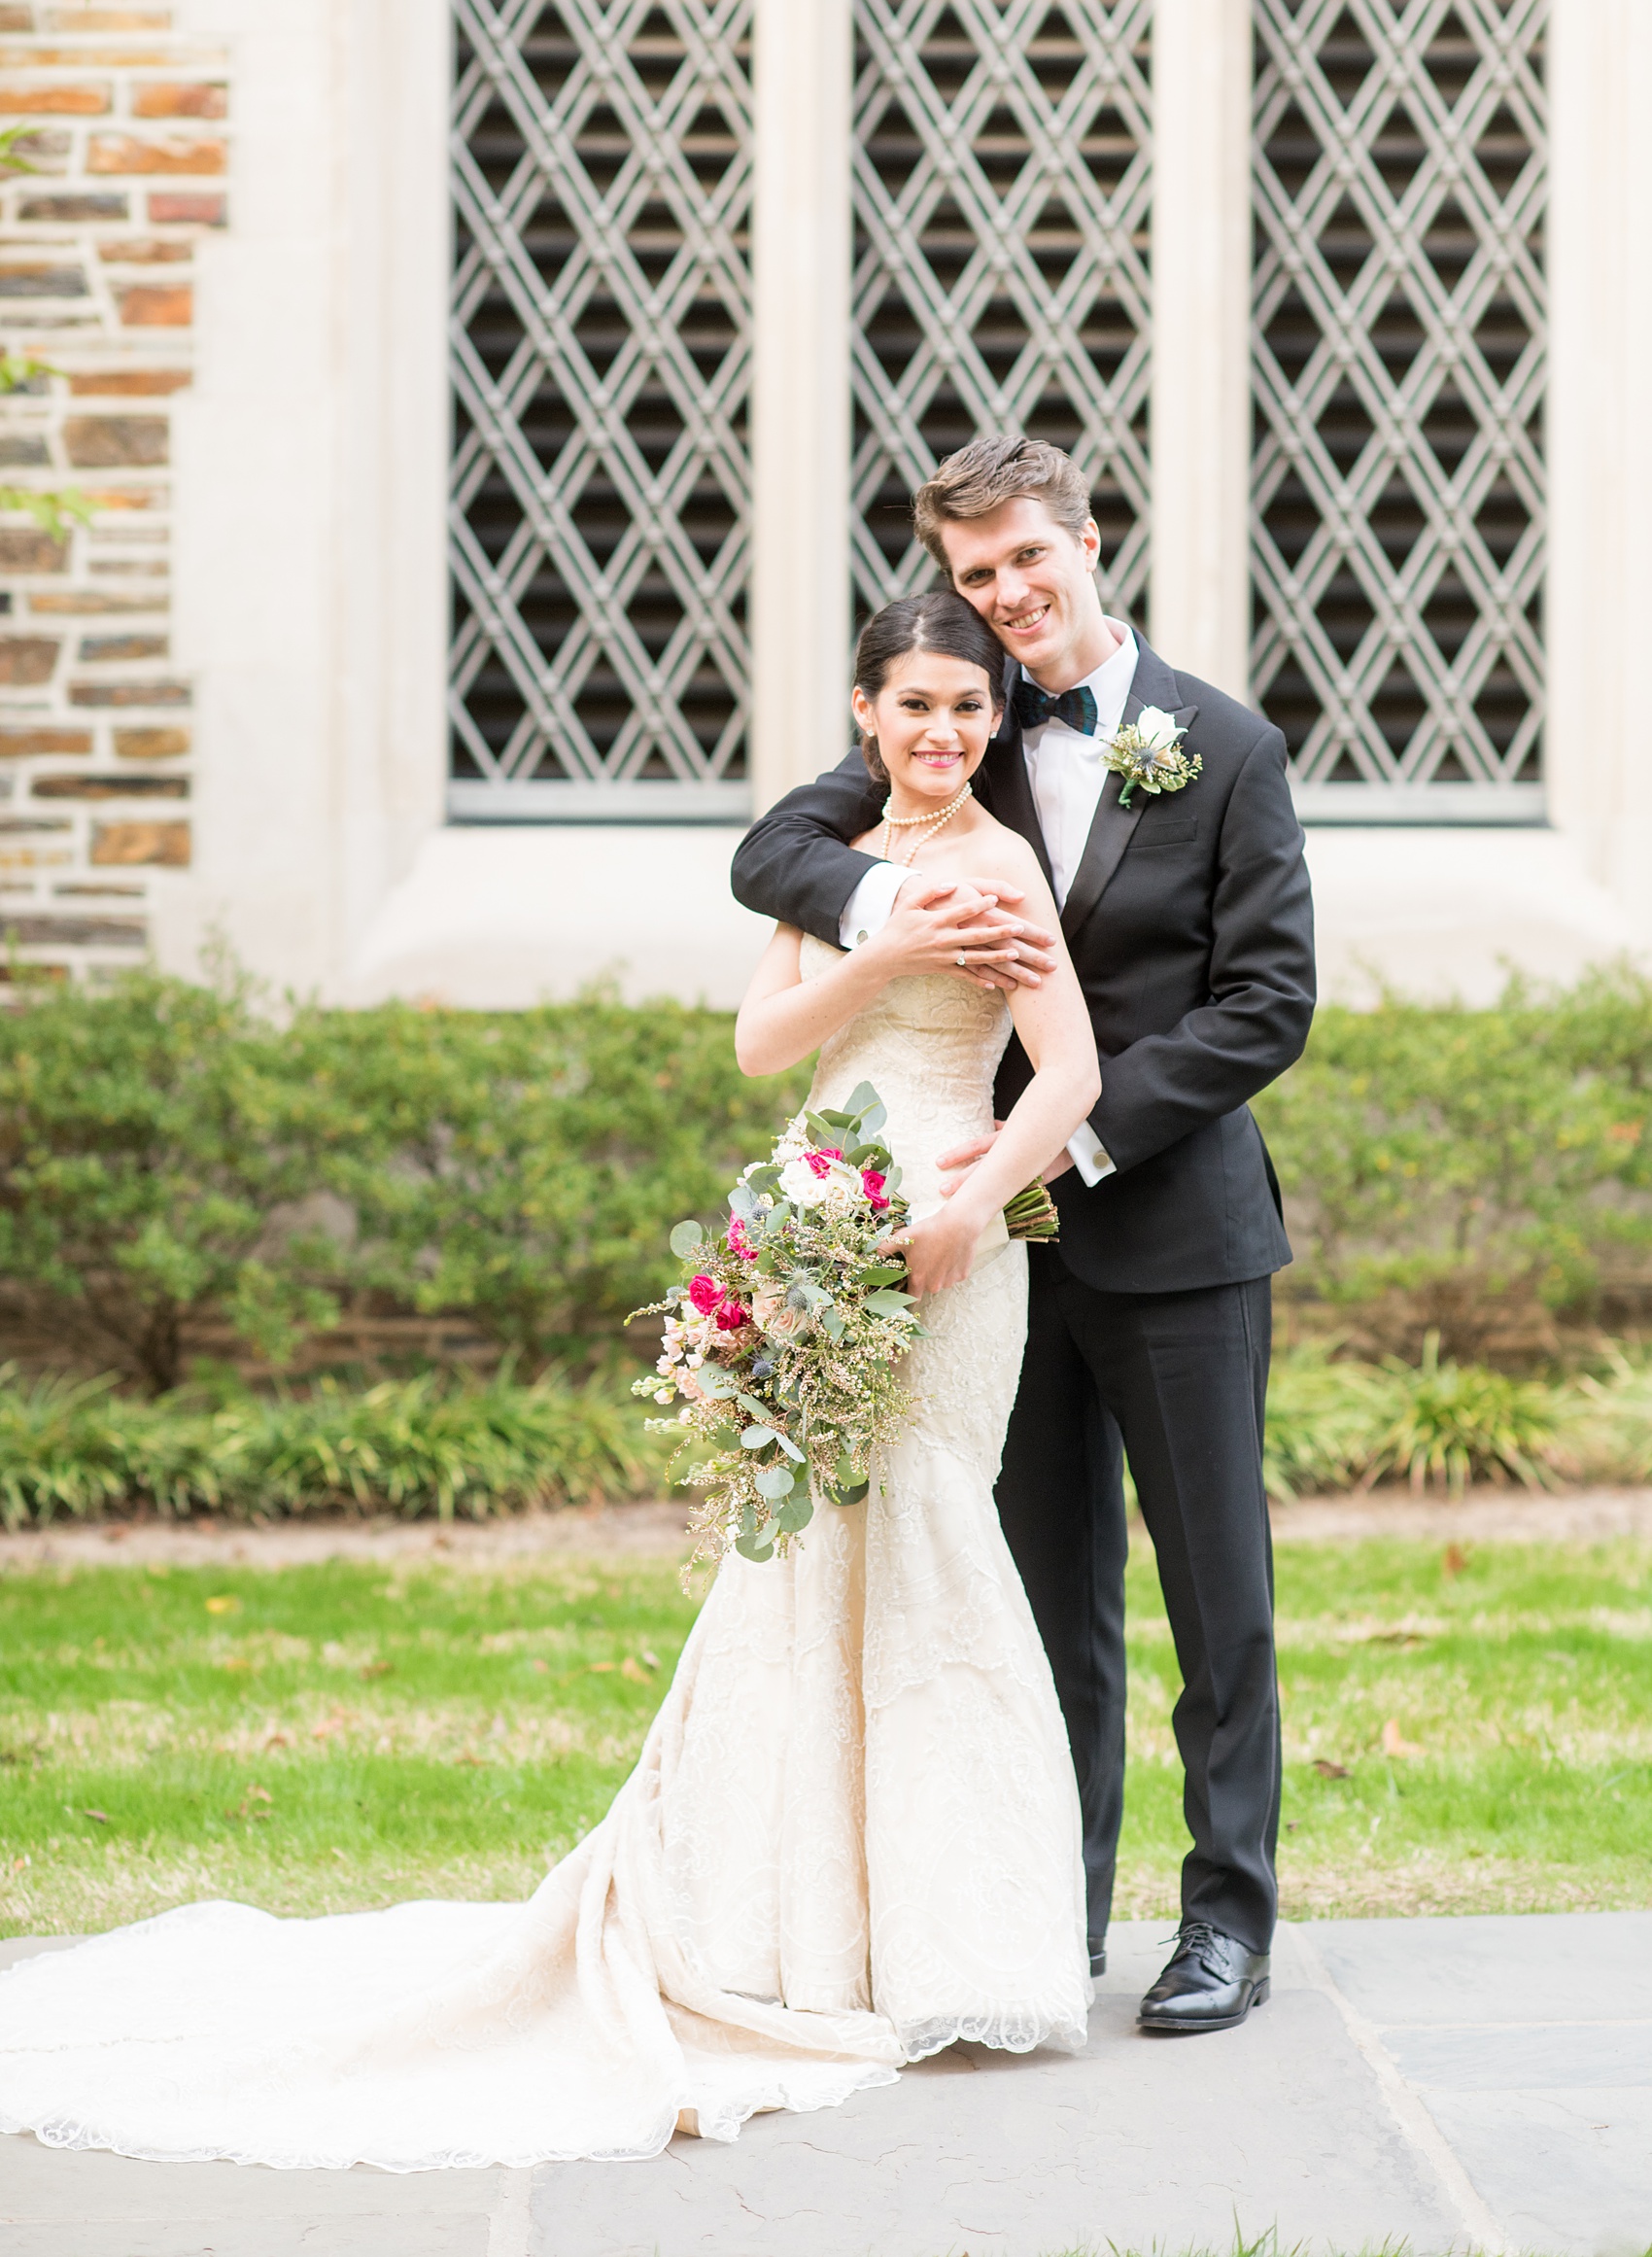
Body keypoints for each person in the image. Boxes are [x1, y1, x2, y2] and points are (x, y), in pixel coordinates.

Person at [0, 594, 1102, 2170]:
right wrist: (888, 944)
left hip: (940, 1238)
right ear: (865, 710)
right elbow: (762, 1038)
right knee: (795, 1555)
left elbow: (1069, 1071)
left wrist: (970, 1202)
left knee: (928, 1536)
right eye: (916, 705)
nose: (943, 734)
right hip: (816, 1204)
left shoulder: (1001, 865)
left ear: (996, 723)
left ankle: (954, 1948)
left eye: (970, 710)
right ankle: (785, 1936)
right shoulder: (839, 856)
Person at [732, 434, 1317, 2033]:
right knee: (1038, 1590)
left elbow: (1269, 1005)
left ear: (1083, 533)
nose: (1006, 595)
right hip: (981, 1255)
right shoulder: (956, 730)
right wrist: (881, 919)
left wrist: (1087, 1133)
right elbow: (773, 850)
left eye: (1025, 561)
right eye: (977, 574)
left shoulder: (1226, 744)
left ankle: (1228, 1917)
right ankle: (1043, 1912)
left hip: (1172, 1225)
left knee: (1215, 1588)